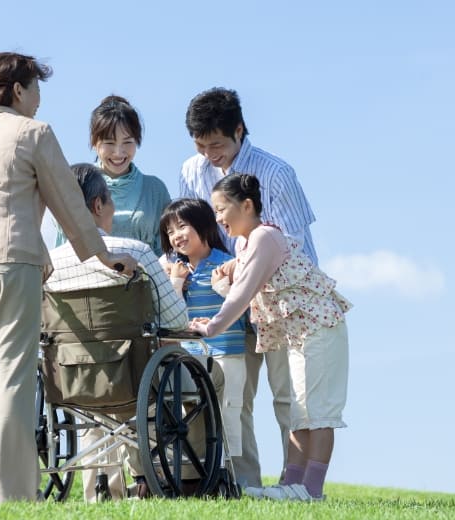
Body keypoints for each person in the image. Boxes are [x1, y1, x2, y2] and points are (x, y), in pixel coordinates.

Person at [0, 52, 139, 503]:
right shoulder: (33, 133)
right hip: (11, 265)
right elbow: (71, 204)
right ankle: (13, 495)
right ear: (18, 89)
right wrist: (105, 258)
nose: (38, 102)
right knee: (11, 377)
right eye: (36, 92)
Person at [179, 87, 317, 487]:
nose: (209, 154)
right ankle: (244, 486)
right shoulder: (192, 171)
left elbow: (295, 246)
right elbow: (193, 235)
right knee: (232, 400)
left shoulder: (276, 173)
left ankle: (296, 485)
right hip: (224, 300)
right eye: (201, 145)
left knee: (287, 398)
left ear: (239, 130)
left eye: (217, 144)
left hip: (279, 302)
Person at [189, 174, 351, 501]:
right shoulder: (243, 244)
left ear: (247, 206)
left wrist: (212, 327)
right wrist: (224, 284)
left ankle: (311, 490)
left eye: (222, 209)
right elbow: (240, 291)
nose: (218, 218)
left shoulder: (264, 237)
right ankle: (292, 485)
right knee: (298, 411)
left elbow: (243, 294)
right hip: (296, 332)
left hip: (317, 326)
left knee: (317, 411)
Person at [45, 163, 189, 502]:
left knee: (97, 406)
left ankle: (99, 493)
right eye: (110, 201)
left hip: (71, 378)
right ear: (98, 205)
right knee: (208, 381)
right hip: (133, 376)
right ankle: (186, 478)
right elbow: (177, 319)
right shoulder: (134, 251)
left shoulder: (48, 265)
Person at [158, 198, 247, 461]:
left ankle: (230, 476)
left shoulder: (228, 264)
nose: (176, 236)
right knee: (193, 415)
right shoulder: (174, 270)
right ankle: (199, 473)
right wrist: (175, 282)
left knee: (228, 414)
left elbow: (245, 310)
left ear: (204, 226)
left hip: (226, 353)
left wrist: (223, 288)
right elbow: (170, 317)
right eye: (170, 231)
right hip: (191, 356)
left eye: (182, 226)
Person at [55, 95, 171, 255]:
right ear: (94, 143)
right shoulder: (77, 183)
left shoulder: (155, 189)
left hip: (146, 277)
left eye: (128, 142)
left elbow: (167, 250)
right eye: (109, 143)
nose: (118, 152)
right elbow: (63, 246)